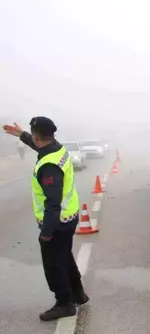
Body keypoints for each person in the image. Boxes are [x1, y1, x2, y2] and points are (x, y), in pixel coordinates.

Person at [2, 117, 89, 321]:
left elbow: (52, 202)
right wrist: (21, 134)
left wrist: (47, 233)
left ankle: (64, 303)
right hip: (69, 216)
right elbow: (39, 146)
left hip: (57, 222)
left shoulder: (49, 166)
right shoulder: (58, 149)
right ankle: (78, 293)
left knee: (54, 264)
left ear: (37, 136)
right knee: (65, 257)